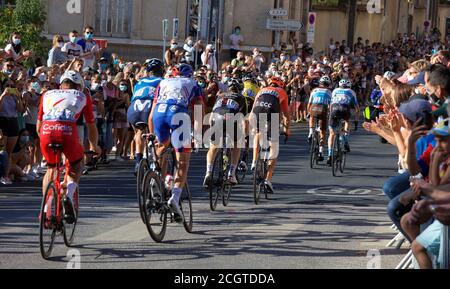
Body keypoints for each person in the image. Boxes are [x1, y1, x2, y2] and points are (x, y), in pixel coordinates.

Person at [37, 70, 99, 223]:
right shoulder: (82, 95)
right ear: (79, 86)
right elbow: (91, 126)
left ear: (61, 84)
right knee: (77, 164)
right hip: (68, 131)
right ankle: (69, 195)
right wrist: (93, 146)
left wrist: (47, 141)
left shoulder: (48, 94)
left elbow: (38, 126)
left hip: (46, 131)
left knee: (51, 168)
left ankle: (46, 209)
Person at [149, 63, 204, 223]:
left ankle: (154, 177)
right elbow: (199, 112)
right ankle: (175, 197)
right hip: (178, 114)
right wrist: (197, 135)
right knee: (182, 162)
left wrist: (152, 134)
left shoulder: (163, 82)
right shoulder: (193, 84)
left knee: (161, 146)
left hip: (159, 113)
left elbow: (152, 114)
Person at [250, 76, 290, 193]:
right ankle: (268, 179)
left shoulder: (262, 90)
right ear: (281, 85)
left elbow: (253, 110)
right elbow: (286, 115)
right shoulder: (282, 92)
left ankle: (253, 162)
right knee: (274, 144)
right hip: (271, 112)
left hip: (257, 111)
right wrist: (287, 130)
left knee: (258, 133)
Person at [204, 78, 246, 187]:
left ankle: (208, 172)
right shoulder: (241, 97)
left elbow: (210, 118)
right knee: (237, 143)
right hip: (230, 117)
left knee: (213, 147)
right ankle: (231, 174)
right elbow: (244, 119)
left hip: (216, 118)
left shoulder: (220, 96)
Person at [127, 58, 164, 174]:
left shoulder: (140, 82)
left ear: (148, 72)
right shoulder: (162, 81)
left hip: (133, 109)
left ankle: (138, 161)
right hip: (150, 108)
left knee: (138, 132)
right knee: (156, 133)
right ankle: (155, 159)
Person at [327, 79, 360, 165]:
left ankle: (330, 155)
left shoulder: (335, 90)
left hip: (334, 109)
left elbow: (330, 105)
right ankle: (345, 139)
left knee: (332, 134)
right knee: (347, 121)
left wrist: (330, 115)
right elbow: (357, 108)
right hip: (344, 108)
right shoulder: (351, 91)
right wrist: (356, 120)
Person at [0, 78, 25, 185]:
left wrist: (19, 97)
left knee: (9, 152)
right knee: (2, 151)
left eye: (12, 86)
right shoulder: (2, 95)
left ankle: (6, 175)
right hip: (2, 121)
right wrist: (3, 96)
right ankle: (2, 174)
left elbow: (20, 110)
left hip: (13, 122)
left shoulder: (14, 97)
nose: (10, 88)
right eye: (7, 86)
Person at [308, 76, 332, 162]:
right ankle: (321, 152)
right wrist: (329, 114)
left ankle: (310, 132)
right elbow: (330, 105)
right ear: (328, 84)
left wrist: (308, 112)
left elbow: (309, 103)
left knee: (311, 115)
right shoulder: (329, 91)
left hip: (313, 108)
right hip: (323, 109)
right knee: (323, 132)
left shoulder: (314, 90)